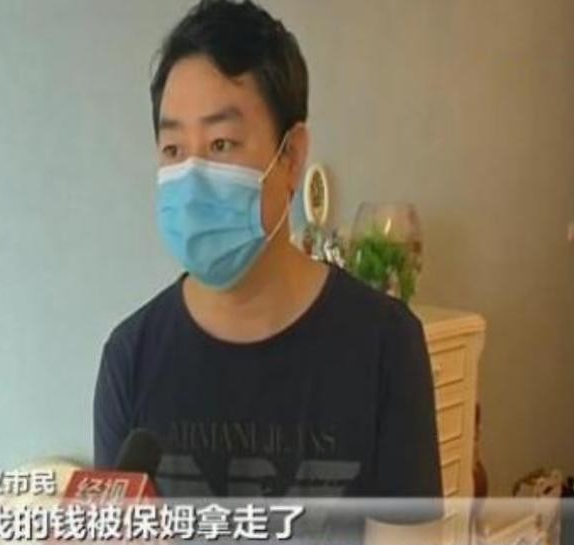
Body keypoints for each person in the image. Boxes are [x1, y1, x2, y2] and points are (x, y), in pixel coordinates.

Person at [93, 0, 441, 506]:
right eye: (173, 150)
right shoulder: (130, 358)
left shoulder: (385, 346)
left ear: (292, 156)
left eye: (221, 143)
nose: (193, 177)